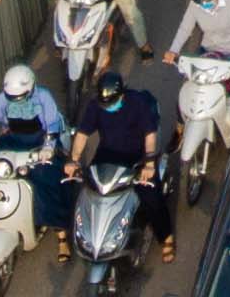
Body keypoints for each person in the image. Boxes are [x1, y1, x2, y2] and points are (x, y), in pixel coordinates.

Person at [67, 56, 177, 262]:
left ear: (122, 95)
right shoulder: (95, 106)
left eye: (112, 102)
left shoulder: (138, 104)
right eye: (104, 103)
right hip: (107, 154)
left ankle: (166, 236)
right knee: (88, 191)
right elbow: (82, 134)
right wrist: (73, 160)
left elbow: (150, 136)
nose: (108, 106)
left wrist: (149, 163)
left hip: (137, 157)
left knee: (151, 196)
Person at [0, 59, 71, 160]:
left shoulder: (43, 96)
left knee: (45, 172)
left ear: (31, 88)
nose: (16, 100)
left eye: (21, 96)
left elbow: (53, 123)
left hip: (42, 141)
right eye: (11, 97)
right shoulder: (2, 99)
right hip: (15, 141)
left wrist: (48, 146)